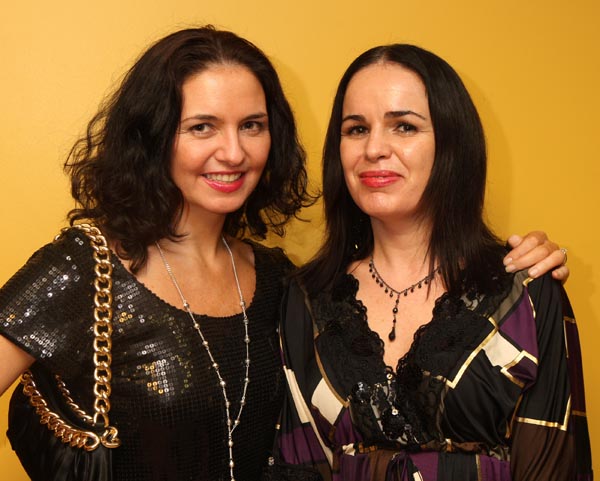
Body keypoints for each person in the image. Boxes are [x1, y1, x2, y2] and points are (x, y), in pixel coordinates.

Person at [0, 27, 570, 481]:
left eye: (252, 125)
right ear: (153, 138)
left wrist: (523, 267)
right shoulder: (85, 268)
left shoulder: (281, 282)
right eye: (201, 126)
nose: (232, 151)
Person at [270, 44, 592, 480]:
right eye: (356, 129)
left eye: (404, 126)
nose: (375, 149)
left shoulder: (526, 293)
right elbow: (297, 466)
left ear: (452, 144)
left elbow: (555, 464)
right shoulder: (305, 299)